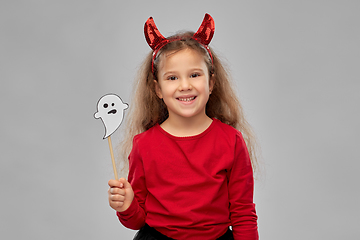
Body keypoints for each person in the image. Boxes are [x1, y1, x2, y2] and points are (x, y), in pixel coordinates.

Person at [108, 13, 259, 240]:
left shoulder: (232, 140)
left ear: (211, 83)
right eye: (172, 78)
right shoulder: (144, 145)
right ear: (157, 89)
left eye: (194, 75)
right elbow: (138, 220)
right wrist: (127, 205)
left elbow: (243, 214)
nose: (185, 85)